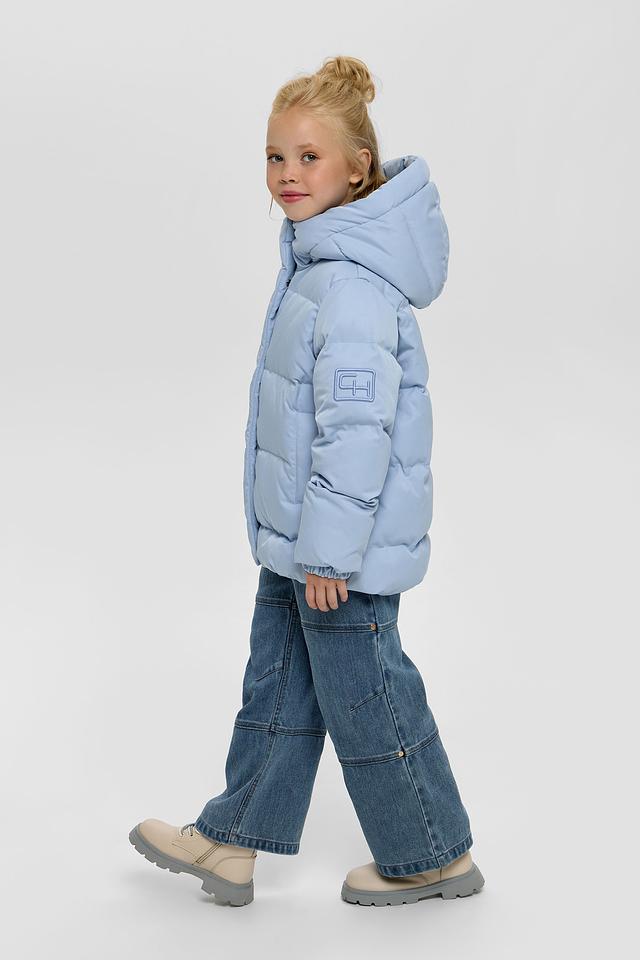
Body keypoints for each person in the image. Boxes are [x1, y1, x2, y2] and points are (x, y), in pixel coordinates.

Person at [129, 55, 485, 908]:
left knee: (368, 696)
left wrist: (328, 552)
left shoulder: (351, 287)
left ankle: (432, 853)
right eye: (275, 156)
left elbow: (357, 434)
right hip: (303, 545)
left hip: (338, 556)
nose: (287, 174)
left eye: (308, 157)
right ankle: (234, 838)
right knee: (280, 683)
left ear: (357, 167)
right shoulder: (317, 264)